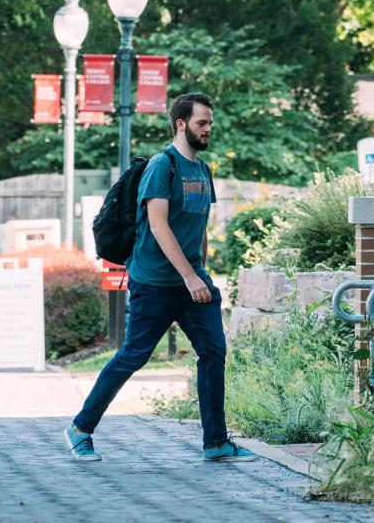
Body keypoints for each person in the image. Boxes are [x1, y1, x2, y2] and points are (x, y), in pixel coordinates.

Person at [65, 92, 255, 463]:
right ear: (181, 124)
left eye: (210, 123)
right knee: (134, 356)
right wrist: (189, 276)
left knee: (214, 351)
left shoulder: (202, 170)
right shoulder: (161, 166)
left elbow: (198, 225)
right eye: (202, 123)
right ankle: (80, 428)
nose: (208, 129)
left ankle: (216, 442)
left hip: (193, 282)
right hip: (154, 281)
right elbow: (158, 225)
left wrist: (201, 271)